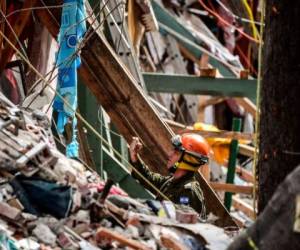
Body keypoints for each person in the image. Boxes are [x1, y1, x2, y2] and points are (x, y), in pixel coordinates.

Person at [129, 133, 210, 217]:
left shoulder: (188, 192)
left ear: (188, 159)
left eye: (176, 153)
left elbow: (183, 224)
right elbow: (147, 178)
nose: (170, 154)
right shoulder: (171, 181)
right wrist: (134, 156)